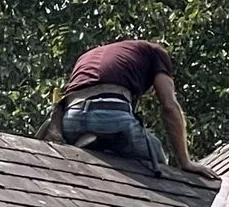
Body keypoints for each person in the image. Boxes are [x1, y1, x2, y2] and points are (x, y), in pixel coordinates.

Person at [55, 40, 219, 181]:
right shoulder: (155, 53)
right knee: (155, 154)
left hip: (71, 119)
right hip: (111, 116)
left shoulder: (89, 57)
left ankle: (96, 147)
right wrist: (185, 162)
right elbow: (169, 106)